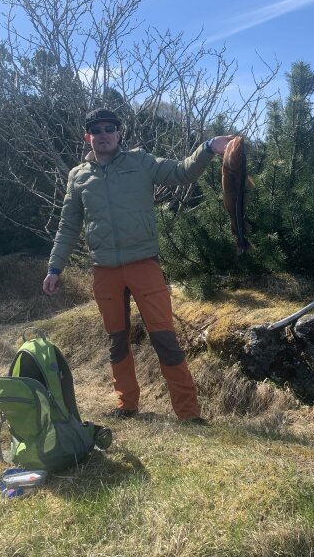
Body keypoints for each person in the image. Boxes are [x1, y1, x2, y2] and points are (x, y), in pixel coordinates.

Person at [43, 108, 231, 423]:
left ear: (119, 133)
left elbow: (183, 172)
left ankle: (188, 413)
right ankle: (126, 406)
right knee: (117, 341)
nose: (103, 134)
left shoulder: (140, 162)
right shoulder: (78, 176)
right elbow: (68, 226)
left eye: (109, 128)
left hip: (144, 265)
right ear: (87, 136)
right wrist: (54, 268)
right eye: (96, 130)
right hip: (104, 271)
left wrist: (209, 146)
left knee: (165, 339)